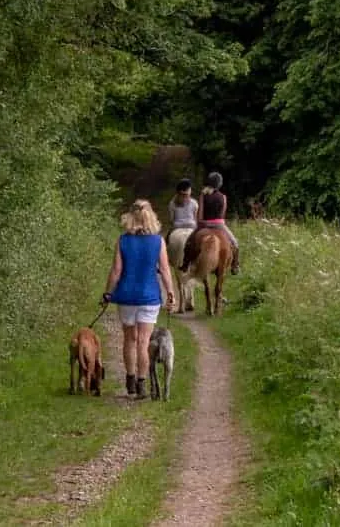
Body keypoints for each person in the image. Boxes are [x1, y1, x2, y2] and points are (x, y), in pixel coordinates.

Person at [101, 199, 176, 399]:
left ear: (130, 218)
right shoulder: (158, 241)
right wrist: (170, 292)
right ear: (151, 217)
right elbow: (166, 270)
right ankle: (143, 384)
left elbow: (116, 271)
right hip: (149, 297)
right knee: (143, 341)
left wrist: (108, 293)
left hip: (126, 296)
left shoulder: (123, 241)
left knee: (129, 339)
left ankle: (130, 378)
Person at [180, 171, 240, 274]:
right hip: (219, 225)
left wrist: (200, 223)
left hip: (204, 224)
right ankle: (235, 265)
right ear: (219, 184)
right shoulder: (223, 197)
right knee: (235, 243)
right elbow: (222, 215)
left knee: (189, 242)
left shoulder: (203, 195)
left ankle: (185, 264)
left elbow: (200, 214)